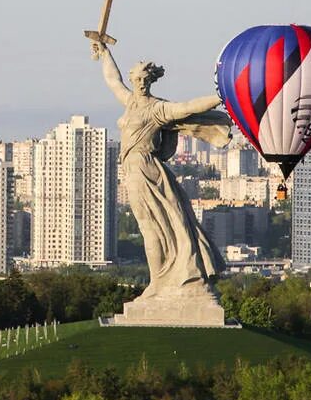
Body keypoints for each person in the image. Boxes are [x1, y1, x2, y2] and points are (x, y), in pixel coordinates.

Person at [90, 40, 231, 301]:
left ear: (151, 81)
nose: (142, 84)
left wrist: (223, 95)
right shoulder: (130, 101)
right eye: (138, 79)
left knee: (152, 227)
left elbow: (189, 107)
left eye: (146, 80)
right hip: (134, 170)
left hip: (145, 170)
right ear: (134, 80)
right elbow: (112, 80)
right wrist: (105, 52)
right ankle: (161, 280)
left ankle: (158, 283)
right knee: (153, 227)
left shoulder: (158, 109)